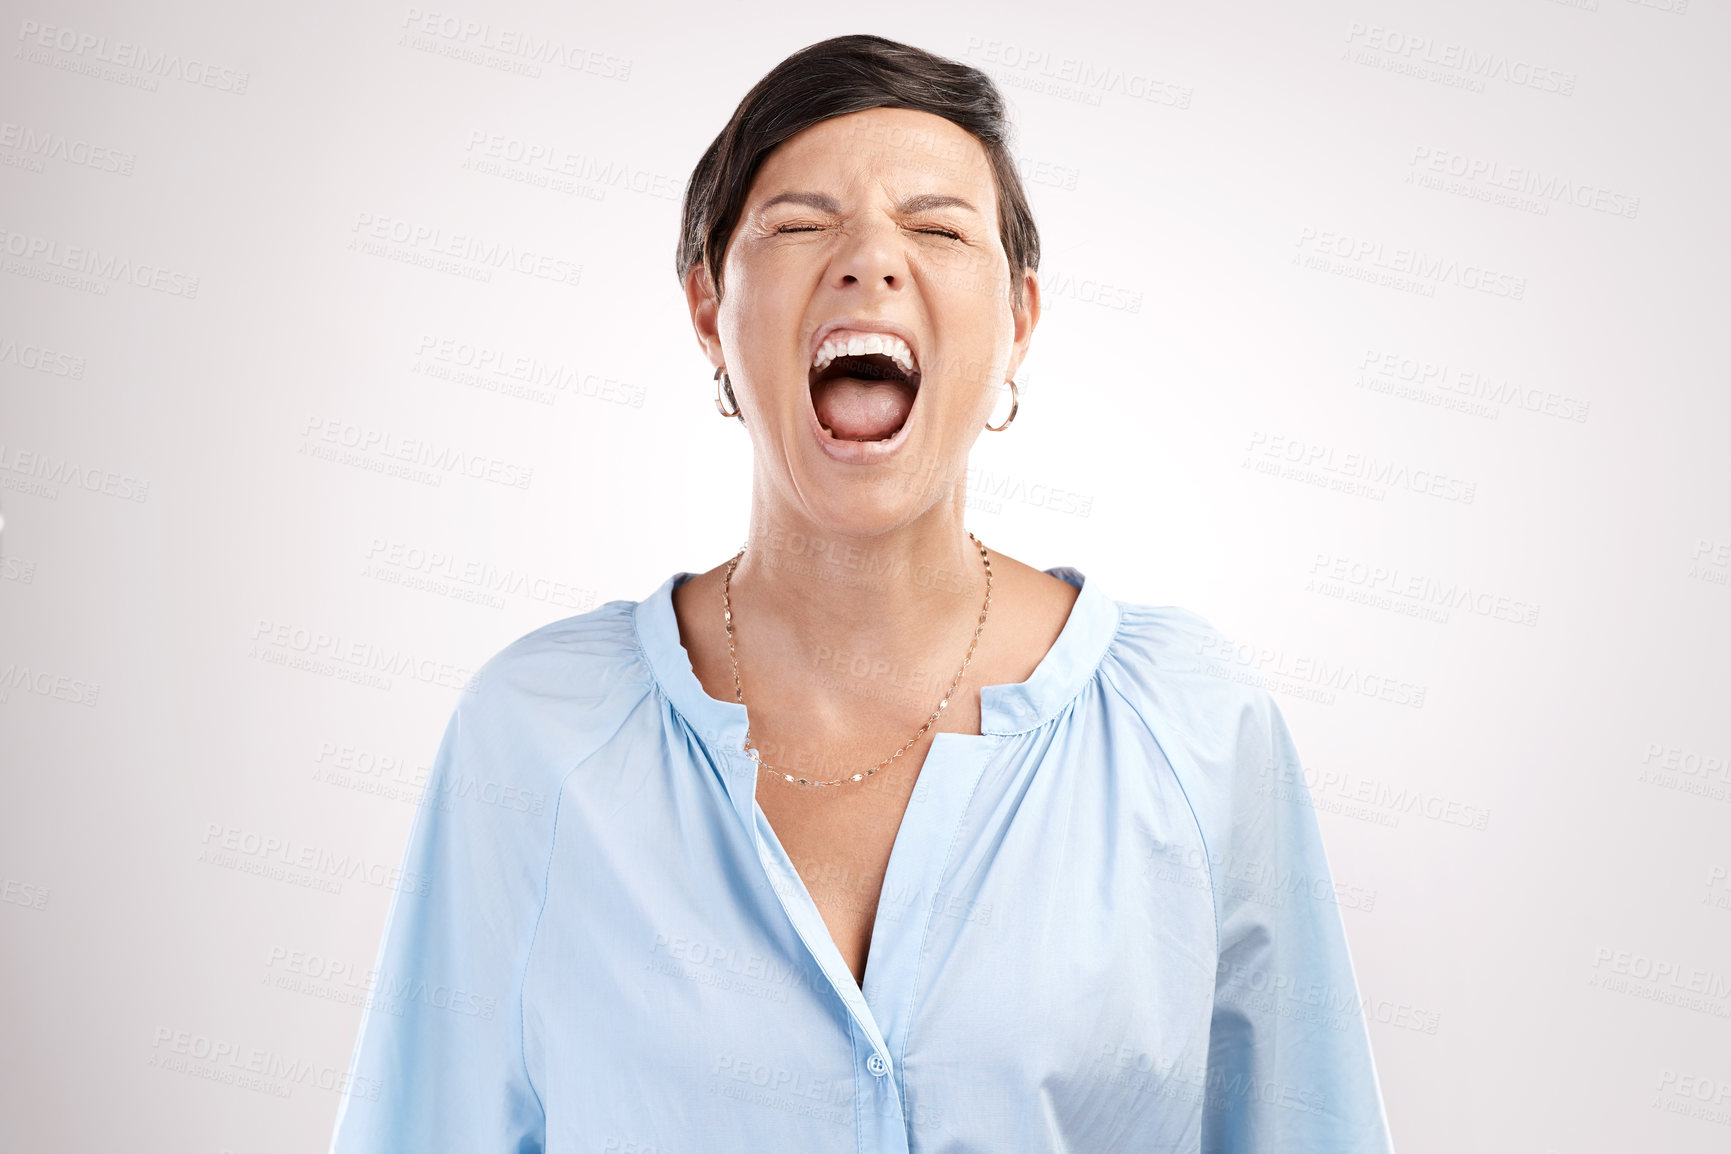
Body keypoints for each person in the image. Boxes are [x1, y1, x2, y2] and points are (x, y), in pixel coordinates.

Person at [330, 33, 1394, 1154]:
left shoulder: (1195, 728)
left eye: (937, 228)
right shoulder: (535, 738)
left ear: (1019, 319)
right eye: (798, 225)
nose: (871, 259)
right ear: (708, 310)